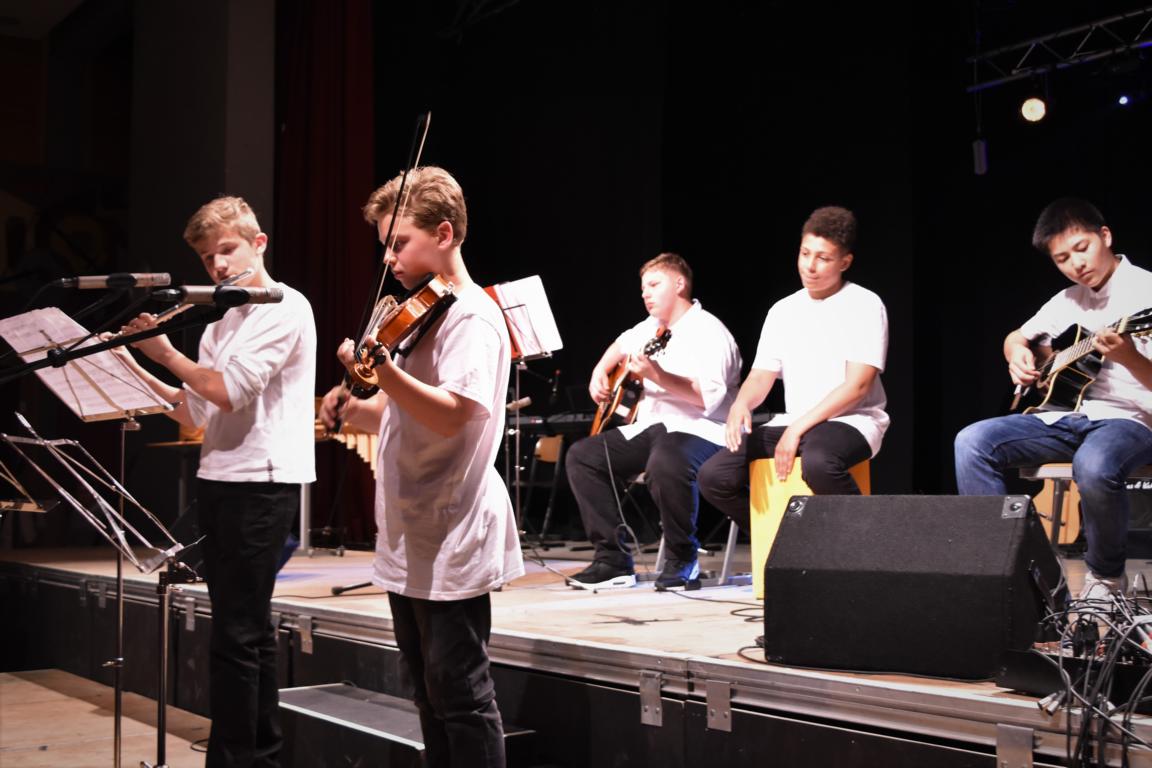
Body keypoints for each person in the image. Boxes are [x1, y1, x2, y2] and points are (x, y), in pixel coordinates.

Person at [319, 166, 522, 768]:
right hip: (413, 524)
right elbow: (401, 411)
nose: (388, 258)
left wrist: (381, 371)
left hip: (452, 525)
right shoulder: (423, 314)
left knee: (461, 694)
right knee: (428, 693)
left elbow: (455, 414)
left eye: (399, 242)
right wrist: (352, 408)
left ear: (444, 233)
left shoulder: (471, 317)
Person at [115, 196, 317, 766]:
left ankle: (235, 759)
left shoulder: (283, 307)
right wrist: (134, 365)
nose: (218, 266)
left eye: (227, 250)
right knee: (243, 634)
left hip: (262, 483)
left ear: (259, 243)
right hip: (222, 477)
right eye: (207, 258)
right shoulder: (223, 320)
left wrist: (165, 354)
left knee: (236, 637)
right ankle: (260, 755)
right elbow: (197, 412)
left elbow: (230, 392)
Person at [955, 197, 1152, 601]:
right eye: (1062, 259)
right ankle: (1018, 574)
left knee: (1093, 465)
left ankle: (1105, 579)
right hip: (1067, 416)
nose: (1076, 264)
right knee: (971, 442)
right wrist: (1017, 353)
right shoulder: (1067, 300)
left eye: (1082, 249)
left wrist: (1129, 357)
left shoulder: (1145, 292)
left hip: (1132, 419)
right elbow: (1017, 337)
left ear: (1105, 236)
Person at [698, 206, 888, 532]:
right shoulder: (783, 310)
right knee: (714, 476)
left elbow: (857, 386)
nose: (810, 266)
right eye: (805, 253)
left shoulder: (864, 304)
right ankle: (782, 541)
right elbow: (761, 375)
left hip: (851, 421)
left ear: (845, 262)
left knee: (819, 464)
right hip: (794, 423)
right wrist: (741, 404)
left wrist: (797, 429)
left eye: (823, 258)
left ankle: (866, 544)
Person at [565, 252, 742, 590]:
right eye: (643, 288)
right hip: (652, 428)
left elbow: (705, 399)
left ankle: (682, 556)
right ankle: (612, 560)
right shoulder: (649, 327)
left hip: (702, 428)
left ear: (679, 284)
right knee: (583, 456)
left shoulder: (709, 331)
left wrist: (657, 375)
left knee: (666, 459)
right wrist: (599, 370)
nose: (645, 293)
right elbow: (620, 344)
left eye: (654, 285)